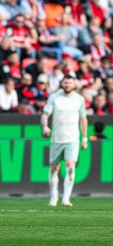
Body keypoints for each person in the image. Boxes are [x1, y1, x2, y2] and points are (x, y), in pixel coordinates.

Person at [41, 75, 88, 208]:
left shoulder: (79, 99)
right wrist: (45, 126)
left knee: (70, 166)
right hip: (57, 138)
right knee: (54, 167)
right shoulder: (55, 97)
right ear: (62, 83)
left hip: (72, 138)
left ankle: (66, 198)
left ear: (74, 85)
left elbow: (83, 119)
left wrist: (84, 138)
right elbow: (45, 114)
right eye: (65, 82)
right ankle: (54, 196)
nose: (67, 85)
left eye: (70, 83)